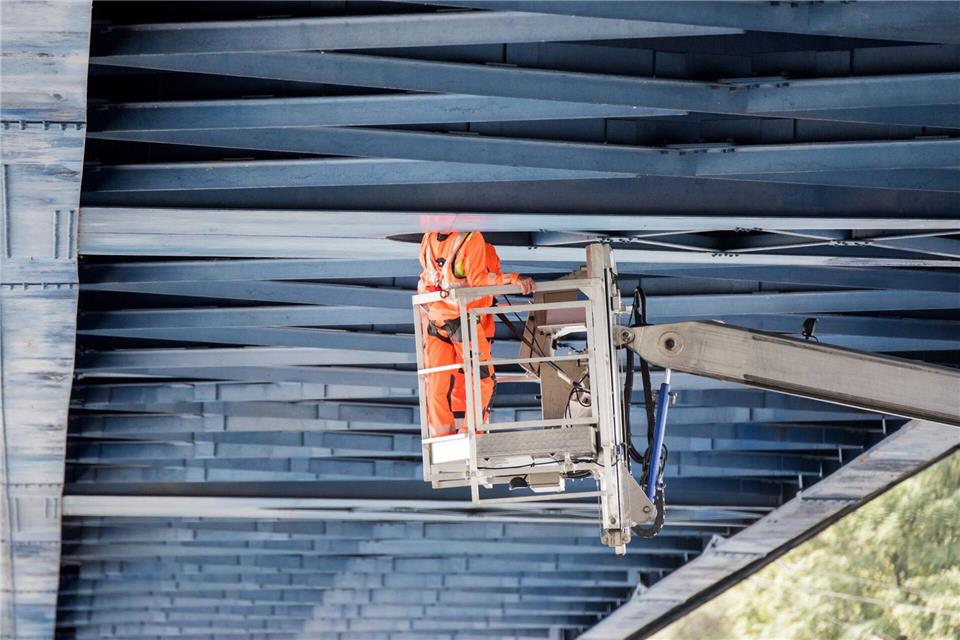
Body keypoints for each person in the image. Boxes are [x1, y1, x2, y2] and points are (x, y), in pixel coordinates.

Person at [418, 231, 535, 437]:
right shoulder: (472, 239)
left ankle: (442, 438)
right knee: (482, 380)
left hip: (437, 320)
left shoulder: (429, 238)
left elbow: (427, 281)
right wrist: (514, 279)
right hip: (463, 320)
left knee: (438, 384)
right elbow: (480, 279)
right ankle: (472, 434)